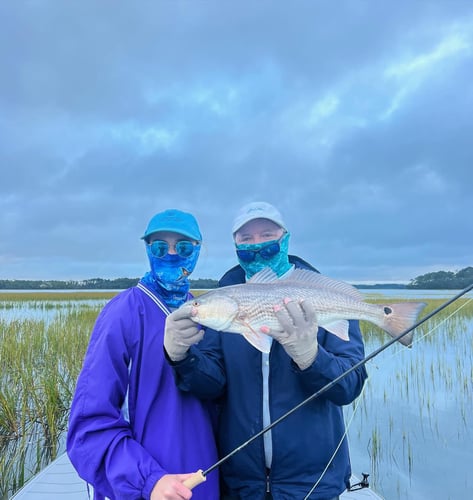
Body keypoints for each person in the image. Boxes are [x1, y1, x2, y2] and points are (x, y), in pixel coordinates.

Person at [164, 201, 368, 500]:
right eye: (246, 239)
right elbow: (212, 385)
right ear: (235, 244)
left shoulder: (324, 294)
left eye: (267, 235)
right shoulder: (225, 306)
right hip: (242, 485)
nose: (256, 245)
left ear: (285, 238)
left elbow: (349, 387)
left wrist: (311, 357)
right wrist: (182, 357)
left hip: (313, 483)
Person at [67, 209, 219, 500]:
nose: (172, 254)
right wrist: (149, 480)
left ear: (198, 251)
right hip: (144, 490)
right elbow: (87, 429)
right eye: (161, 247)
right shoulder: (122, 314)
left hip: (204, 484)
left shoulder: (207, 314)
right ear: (148, 250)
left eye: (184, 247)